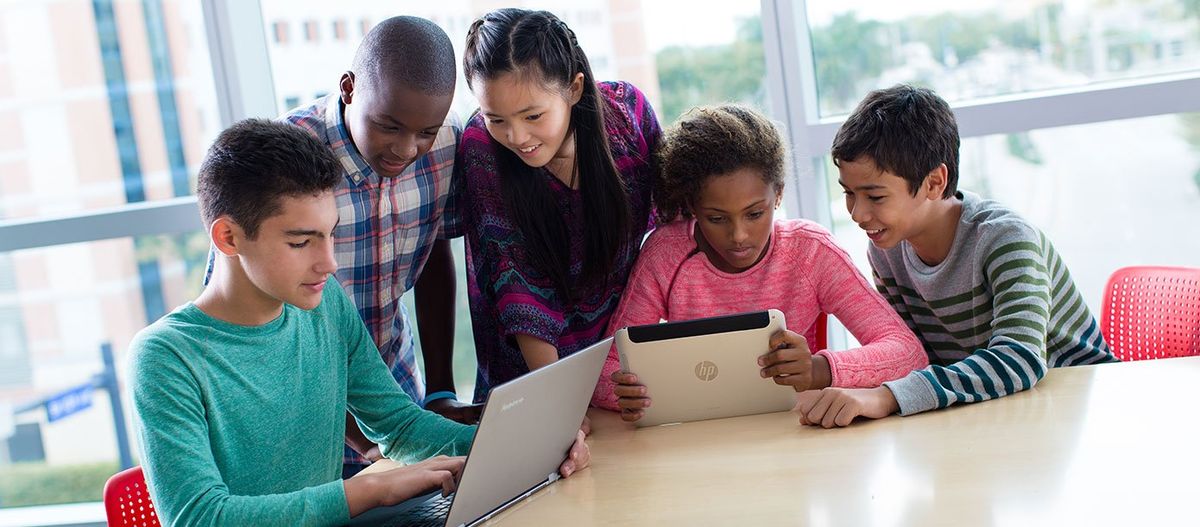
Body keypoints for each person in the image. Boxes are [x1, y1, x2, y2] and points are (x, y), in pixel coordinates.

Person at [130, 119, 589, 525]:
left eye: (330, 235)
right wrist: (368, 491)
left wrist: (529, 447)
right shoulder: (165, 357)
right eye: (301, 242)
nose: (328, 263)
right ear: (229, 237)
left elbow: (400, 427)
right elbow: (200, 517)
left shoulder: (324, 302)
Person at [203, 16, 480, 477]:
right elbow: (241, 301)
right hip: (295, 409)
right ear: (349, 88)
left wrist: (438, 392)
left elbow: (432, 252)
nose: (407, 149)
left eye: (424, 132)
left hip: (391, 397)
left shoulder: (446, 142)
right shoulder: (283, 161)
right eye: (389, 126)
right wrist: (359, 437)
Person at [796, 84, 1118, 428]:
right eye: (849, 193)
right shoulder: (886, 251)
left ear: (935, 182)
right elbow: (915, 360)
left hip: (1083, 408)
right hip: (997, 413)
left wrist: (887, 396)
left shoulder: (1004, 239)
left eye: (875, 197)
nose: (857, 214)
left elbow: (1019, 361)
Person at [595, 105, 928, 420]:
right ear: (692, 206)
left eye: (755, 214)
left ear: (778, 195)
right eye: (716, 218)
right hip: (701, 440)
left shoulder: (810, 251)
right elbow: (605, 371)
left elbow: (907, 353)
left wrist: (817, 370)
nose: (739, 235)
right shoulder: (666, 254)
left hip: (797, 435)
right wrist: (635, 392)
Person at [456, 8, 661, 402]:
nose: (516, 137)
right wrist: (561, 407)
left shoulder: (628, 113)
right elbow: (515, 281)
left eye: (533, 115)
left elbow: (671, 233)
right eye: (496, 118)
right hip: (531, 381)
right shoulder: (482, 147)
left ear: (574, 88)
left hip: (624, 364)